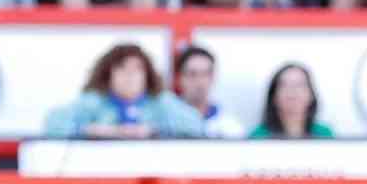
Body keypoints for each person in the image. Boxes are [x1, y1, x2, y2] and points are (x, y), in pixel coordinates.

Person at [44, 44, 203, 139]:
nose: (130, 75)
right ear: (109, 74)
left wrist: (155, 131)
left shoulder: (160, 101)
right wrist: (89, 130)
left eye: (137, 69)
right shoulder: (95, 101)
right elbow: (52, 124)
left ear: (147, 75)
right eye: (122, 68)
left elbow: (196, 125)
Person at [248, 62, 335, 138]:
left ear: (311, 95)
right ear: (273, 96)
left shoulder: (325, 135)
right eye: (284, 86)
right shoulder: (258, 137)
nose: (292, 93)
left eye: (299, 85)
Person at [174, 45, 245, 137]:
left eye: (205, 74)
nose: (200, 82)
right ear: (180, 78)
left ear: (213, 77)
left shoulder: (228, 123)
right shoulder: (167, 118)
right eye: (192, 74)